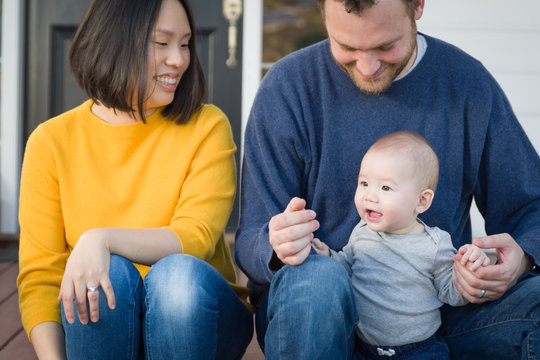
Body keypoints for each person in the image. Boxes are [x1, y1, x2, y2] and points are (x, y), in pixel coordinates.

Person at [235, 0, 540, 359]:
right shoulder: (288, 87)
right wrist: (278, 246)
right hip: (318, 314)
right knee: (318, 280)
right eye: (346, 47)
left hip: (436, 321)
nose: (367, 66)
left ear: (418, 6)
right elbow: (252, 236)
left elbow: (530, 207)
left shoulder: (467, 84)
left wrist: (519, 259)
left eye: (385, 46)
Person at [17, 0, 253, 359]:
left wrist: (102, 238)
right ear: (113, 42)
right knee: (103, 275)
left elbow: (196, 238)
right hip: (105, 324)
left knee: (175, 276)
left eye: (186, 43)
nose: (179, 59)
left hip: (197, 319)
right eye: (162, 43)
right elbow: (41, 277)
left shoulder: (207, 125)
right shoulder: (51, 142)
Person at [312, 131, 491, 359]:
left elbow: (451, 293)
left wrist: (469, 272)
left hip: (419, 350)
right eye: (364, 183)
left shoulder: (434, 245)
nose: (370, 196)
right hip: (364, 349)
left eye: (385, 188)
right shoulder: (361, 232)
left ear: (421, 201)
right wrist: (328, 255)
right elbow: (347, 267)